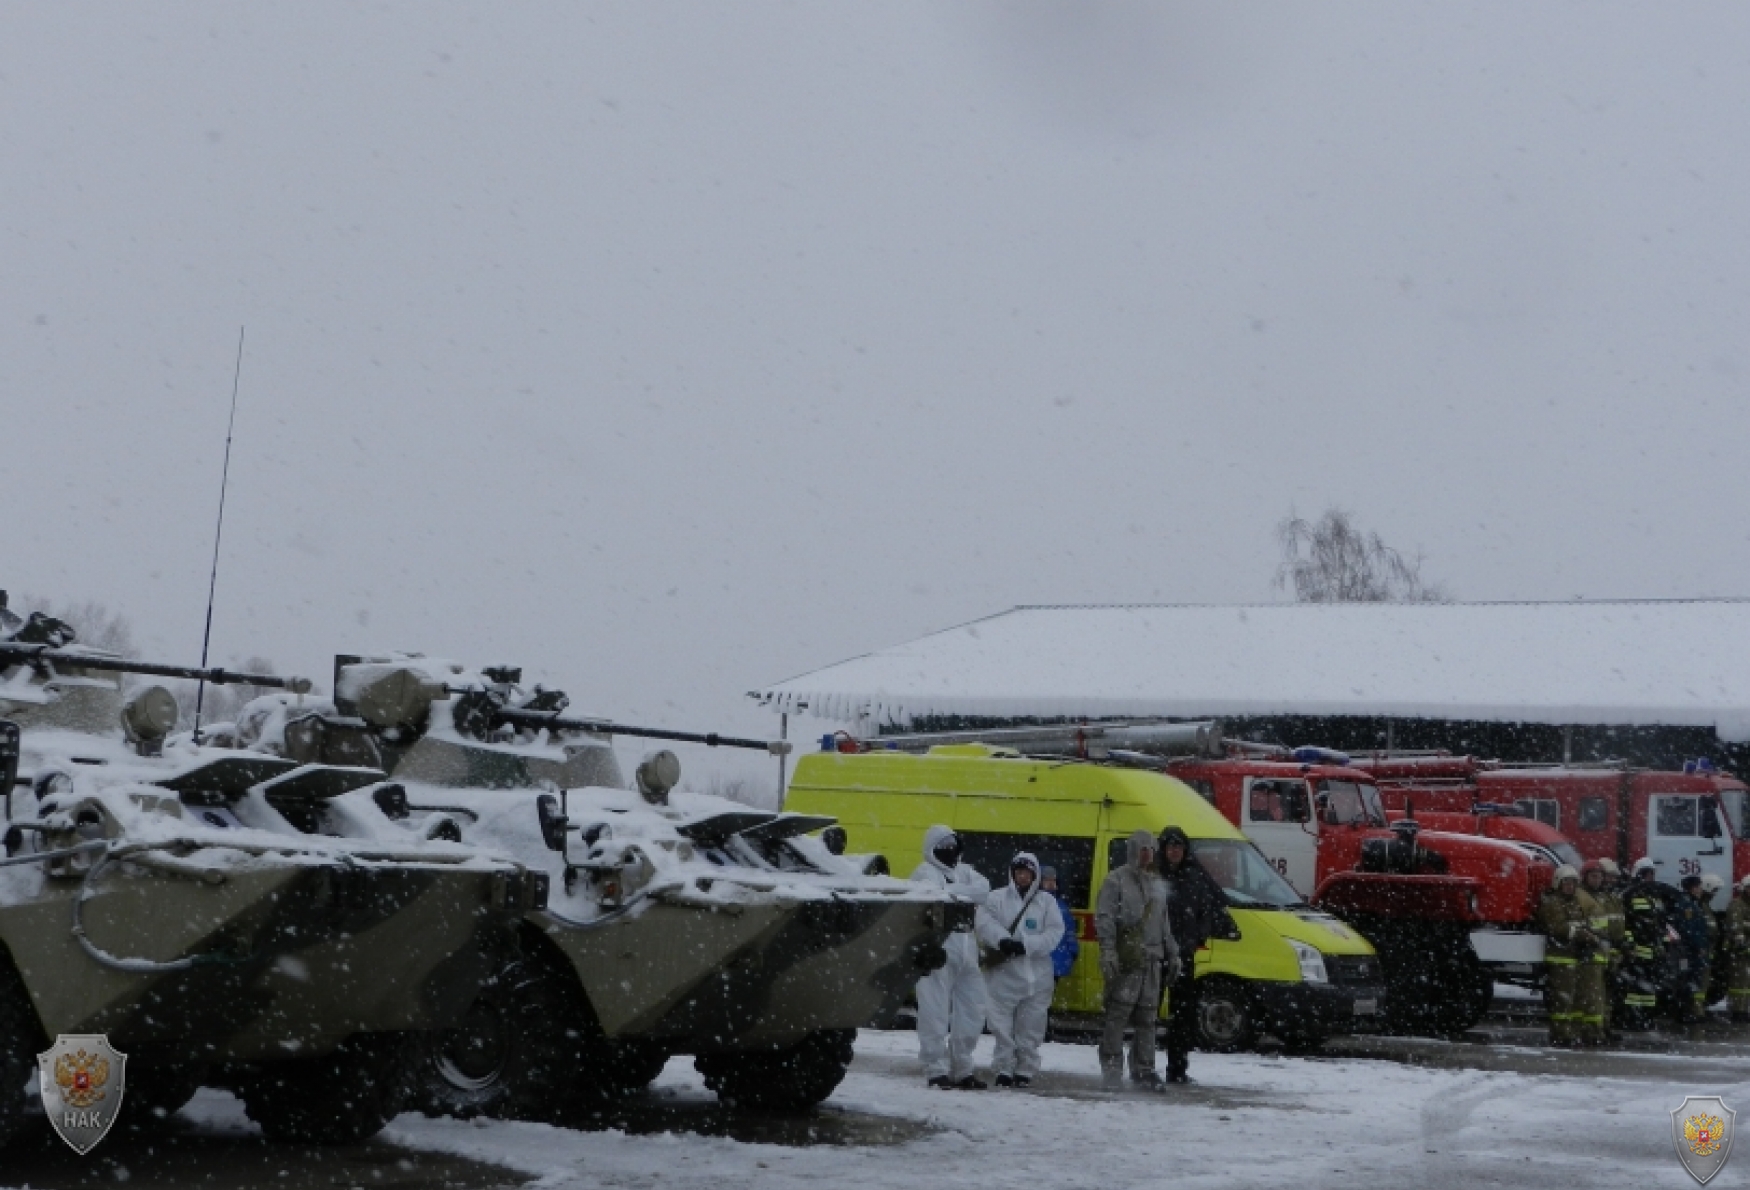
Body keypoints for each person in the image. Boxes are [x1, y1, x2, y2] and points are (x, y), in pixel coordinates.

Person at [1095, 829, 1180, 1090]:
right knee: (1117, 1015)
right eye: (1143, 849)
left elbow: (1164, 922)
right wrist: (1108, 951)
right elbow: (1105, 917)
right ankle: (1111, 1070)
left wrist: (1173, 952)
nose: (1147, 854)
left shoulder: (1157, 884)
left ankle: (1144, 1069)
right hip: (1127, 959)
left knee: (1147, 1018)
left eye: (1151, 849)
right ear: (1132, 850)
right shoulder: (1115, 880)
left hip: (1152, 961)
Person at [910, 825, 992, 1089]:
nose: (950, 851)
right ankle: (936, 1070)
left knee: (973, 1010)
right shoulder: (924, 872)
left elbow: (984, 889)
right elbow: (934, 896)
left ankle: (963, 1069)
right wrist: (961, 892)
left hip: (967, 945)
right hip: (937, 947)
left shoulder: (964, 871)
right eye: (944, 846)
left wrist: (954, 891)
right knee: (934, 1010)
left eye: (953, 845)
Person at [976, 852, 1065, 1087]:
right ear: (1012, 873)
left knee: (1031, 1026)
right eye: (1019, 872)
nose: (1023, 877)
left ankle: (1025, 1069)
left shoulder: (1046, 902)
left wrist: (1027, 946)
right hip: (1003, 975)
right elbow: (984, 922)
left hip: (1037, 976)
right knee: (1001, 1025)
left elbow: (1055, 932)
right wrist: (1003, 941)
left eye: (1027, 872)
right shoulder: (996, 898)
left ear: (1035, 874)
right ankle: (1004, 1068)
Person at [1157, 825, 1233, 1084]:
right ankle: (1142, 1066)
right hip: (1155, 953)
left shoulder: (1195, 877)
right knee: (1147, 1013)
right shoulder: (1154, 876)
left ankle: (1177, 1069)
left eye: (1178, 847)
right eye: (1170, 847)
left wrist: (1196, 938)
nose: (1174, 851)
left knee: (1183, 1014)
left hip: (1184, 955)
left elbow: (1209, 910)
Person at [1538, 864, 1603, 1046]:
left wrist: (1587, 933)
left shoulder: (1575, 902)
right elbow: (1558, 927)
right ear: (1558, 883)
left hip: (1574, 956)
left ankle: (1572, 1032)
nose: (1570, 886)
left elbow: (1580, 923)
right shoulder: (1552, 903)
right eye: (1566, 883)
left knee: (1576, 999)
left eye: (1573, 883)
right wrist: (1583, 934)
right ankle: (1560, 1034)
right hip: (1560, 957)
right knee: (1562, 999)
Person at [1619, 857, 1668, 1030]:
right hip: (1637, 951)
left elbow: (1660, 923)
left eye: (1652, 874)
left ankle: (1647, 1018)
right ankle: (1633, 1018)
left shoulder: (1654, 897)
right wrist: (1630, 944)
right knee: (1634, 988)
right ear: (1638, 874)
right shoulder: (1629, 895)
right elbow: (1624, 922)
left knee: (1650, 987)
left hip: (1653, 951)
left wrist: (1662, 942)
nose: (1650, 878)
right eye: (1647, 874)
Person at [1581, 859, 1622, 1037]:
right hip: (1592, 952)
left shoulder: (1606, 897)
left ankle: (1604, 1027)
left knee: (1606, 994)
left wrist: (1621, 945)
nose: (1598, 880)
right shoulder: (1582, 896)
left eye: (1600, 876)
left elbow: (1615, 924)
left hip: (1607, 952)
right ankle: (1593, 1031)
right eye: (1594, 876)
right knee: (1593, 995)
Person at [1672, 875, 1715, 1025]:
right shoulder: (1688, 906)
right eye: (1698, 887)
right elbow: (1689, 929)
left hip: (1689, 950)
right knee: (1687, 980)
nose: (1700, 890)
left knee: (1690, 980)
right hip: (1688, 951)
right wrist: (1699, 947)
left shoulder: (1691, 903)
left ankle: (1688, 1012)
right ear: (1691, 888)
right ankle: (1684, 1013)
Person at [1041, 865, 1080, 982]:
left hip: (1057, 960)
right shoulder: (1035, 903)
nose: (1051, 883)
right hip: (1041, 960)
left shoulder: (1060, 904)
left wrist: (1073, 950)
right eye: (1047, 880)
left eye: (1053, 880)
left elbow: (1069, 929)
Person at [1726, 875, 1750, 1023]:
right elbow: (1736, 926)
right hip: (1739, 951)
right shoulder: (1737, 905)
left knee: (1746, 983)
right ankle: (1738, 1011)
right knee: (1739, 982)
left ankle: (1744, 1009)